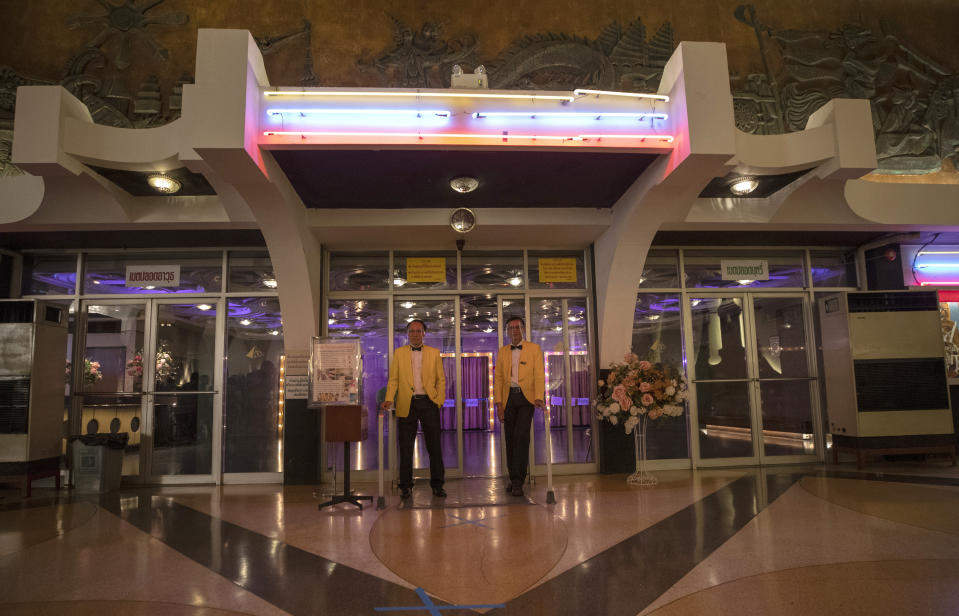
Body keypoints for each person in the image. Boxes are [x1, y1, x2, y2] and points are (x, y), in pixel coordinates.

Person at [380, 319, 447, 499]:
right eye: (412, 331)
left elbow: (441, 379)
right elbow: (393, 380)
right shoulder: (399, 353)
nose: (415, 334)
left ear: (424, 334)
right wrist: (388, 399)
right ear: (407, 334)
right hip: (406, 403)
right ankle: (405, 486)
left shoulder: (434, 353)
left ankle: (438, 484)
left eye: (418, 331)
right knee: (406, 447)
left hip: (428, 403)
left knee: (434, 446)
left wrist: (439, 400)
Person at [494, 316, 544, 497]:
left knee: (521, 437)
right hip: (508, 399)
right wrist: (499, 404)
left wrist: (539, 396)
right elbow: (498, 378)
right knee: (509, 438)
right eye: (510, 328)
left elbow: (539, 374)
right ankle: (513, 476)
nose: (514, 331)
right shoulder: (503, 351)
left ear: (523, 329)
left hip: (526, 399)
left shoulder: (534, 349)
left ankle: (518, 481)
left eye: (517, 328)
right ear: (507, 331)